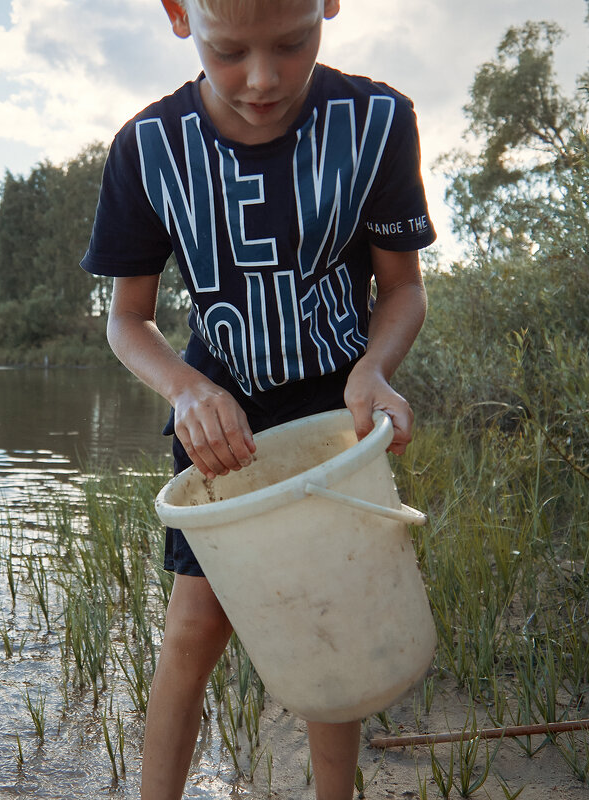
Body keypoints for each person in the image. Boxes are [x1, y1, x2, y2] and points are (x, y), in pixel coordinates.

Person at [80, 0, 436, 796]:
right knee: (193, 631)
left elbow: (403, 289)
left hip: (334, 411)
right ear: (180, 15)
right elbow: (128, 319)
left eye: (292, 42)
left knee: (329, 622)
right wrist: (186, 387)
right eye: (230, 51)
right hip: (219, 416)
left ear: (329, 6)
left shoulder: (376, 121)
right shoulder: (148, 148)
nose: (264, 78)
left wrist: (376, 369)